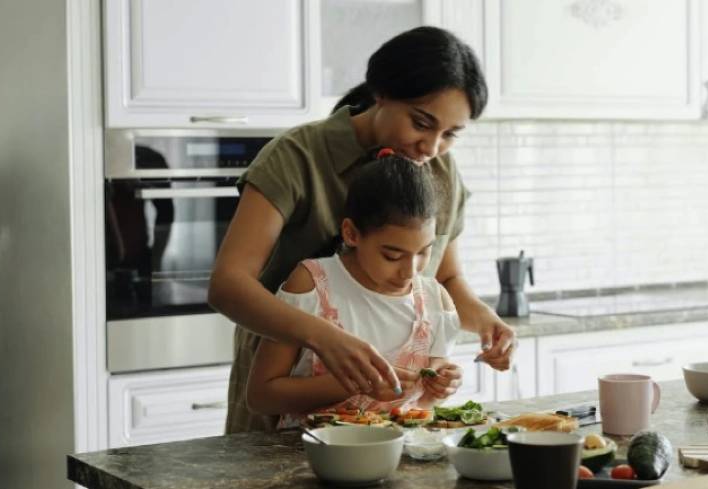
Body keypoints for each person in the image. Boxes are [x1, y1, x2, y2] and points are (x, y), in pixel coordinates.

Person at [209, 26, 516, 433]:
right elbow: (228, 285)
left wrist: (487, 322)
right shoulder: (297, 156)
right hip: (284, 401)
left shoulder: (440, 170)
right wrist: (324, 338)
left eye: (450, 135)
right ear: (382, 93)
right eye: (422, 123)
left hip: (390, 421)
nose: (432, 147)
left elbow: (445, 277)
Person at [246, 152, 462, 426]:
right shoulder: (312, 284)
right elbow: (261, 397)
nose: (410, 271)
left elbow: (426, 404)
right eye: (392, 256)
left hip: (401, 458)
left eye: (424, 252)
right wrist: (354, 383)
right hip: (310, 457)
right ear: (351, 234)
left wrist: (441, 385)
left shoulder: (435, 300)